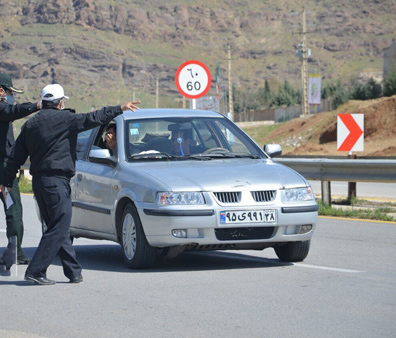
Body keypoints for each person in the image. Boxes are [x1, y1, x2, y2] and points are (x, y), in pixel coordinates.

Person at [0, 84, 140, 285]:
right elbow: (95, 118)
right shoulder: (66, 119)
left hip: (39, 184)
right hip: (57, 182)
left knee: (60, 227)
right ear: (60, 103)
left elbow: (16, 157)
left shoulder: (30, 124)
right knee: (59, 225)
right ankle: (36, 271)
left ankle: (73, 271)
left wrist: (6, 180)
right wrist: (119, 108)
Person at [0, 73, 41, 265]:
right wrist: (36, 106)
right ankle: (15, 252)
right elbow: (14, 111)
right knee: (13, 209)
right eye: (9, 92)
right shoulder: (1, 108)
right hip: (3, 169)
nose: (10, 96)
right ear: (1, 91)